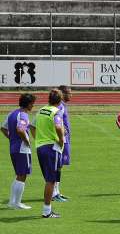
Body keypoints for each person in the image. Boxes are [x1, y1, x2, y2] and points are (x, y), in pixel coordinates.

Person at [30, 89, 65, 218]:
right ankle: (46, 211)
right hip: (52, 148)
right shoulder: (57, 112)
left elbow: (32, 127)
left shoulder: (41, 110)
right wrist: (61, 140)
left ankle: (47, 210)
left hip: (40, 147)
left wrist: (38, 139)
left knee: (49, 179)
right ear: (60, 100)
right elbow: (57, 126)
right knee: (51, 180)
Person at [1, 93, 36, 210]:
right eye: (32, 104)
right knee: (22, 175)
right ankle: (17, 203)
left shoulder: (12, 113)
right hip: (22, 149)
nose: (33, 106)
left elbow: (3, 128)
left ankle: (12, 202)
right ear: (29, 104)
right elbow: (20, 129)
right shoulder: (23, 115)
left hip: (13, 148)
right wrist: (27, 141)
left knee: (18, 175)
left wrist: (11, 138)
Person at [53, 85, 72, 202]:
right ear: (63, 94)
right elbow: (57, 124)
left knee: (59, 166)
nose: (71, 95)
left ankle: (57, 192)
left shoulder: (62, 105)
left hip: (65, 139)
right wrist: (61, 138)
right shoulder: (60, 106)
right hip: (62, 140)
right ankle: (54, 193)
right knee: (57, 165)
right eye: (69, 93)